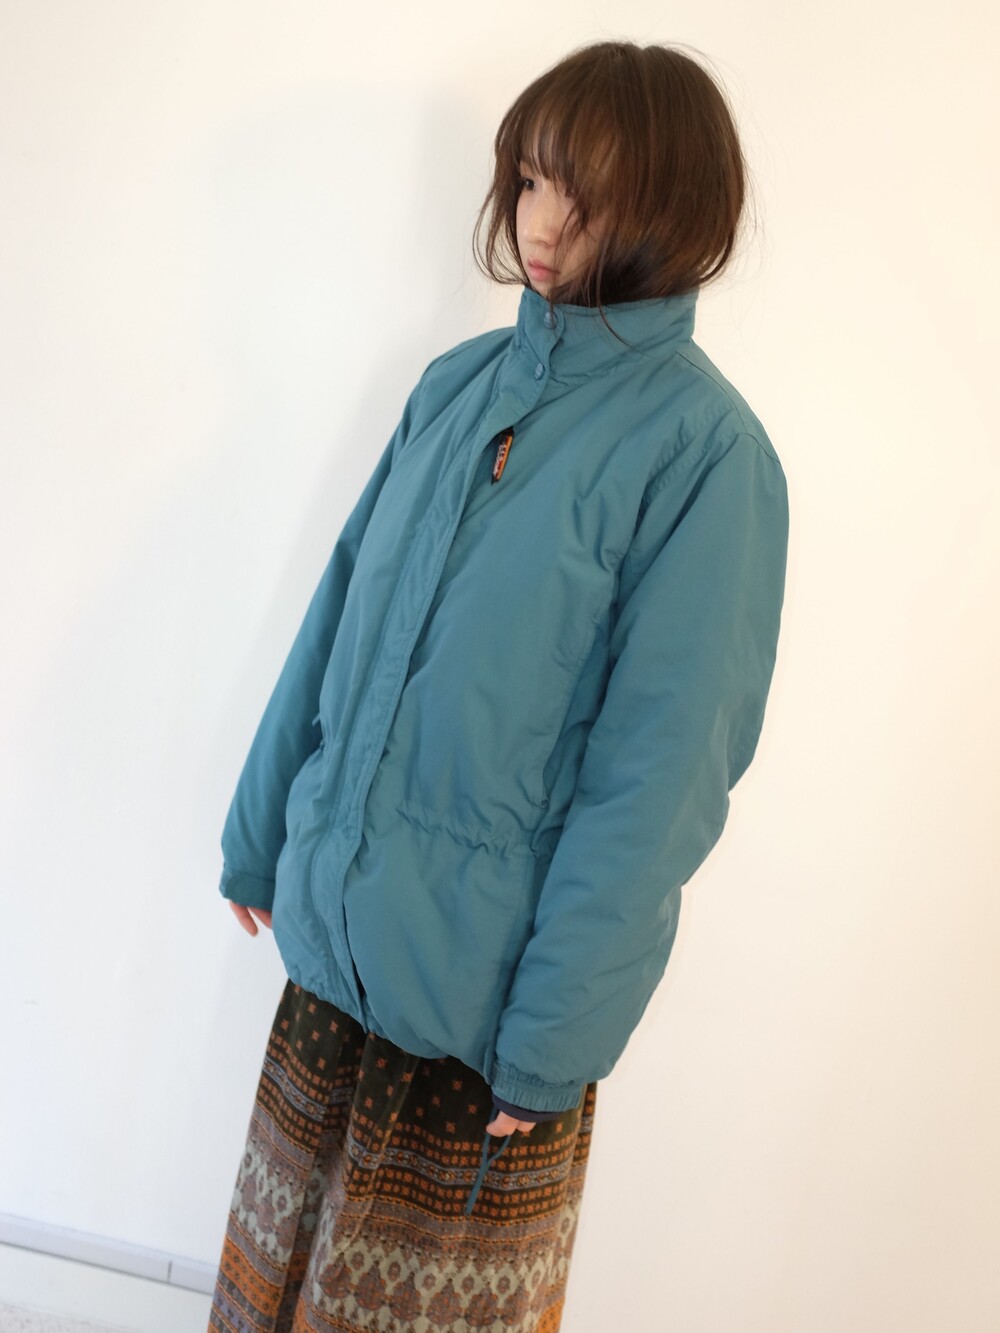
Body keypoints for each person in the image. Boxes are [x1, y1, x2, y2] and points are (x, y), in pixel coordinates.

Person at [209, 38, 789, 1333]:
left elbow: (660, 781)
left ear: (674, 209)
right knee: (265, 1301)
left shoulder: (706, 456)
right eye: (532, 179)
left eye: (587, 194)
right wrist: (262, 832)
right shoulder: (457, 388)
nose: (543, 222)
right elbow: (339, 613)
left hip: (488, 1038)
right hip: (334, 970)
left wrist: (555, 1036)